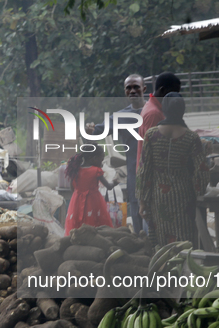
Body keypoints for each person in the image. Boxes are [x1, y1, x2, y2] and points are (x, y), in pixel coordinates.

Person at [136, 93, 210, 247]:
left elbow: (144, 170)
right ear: (182, 111)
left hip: (158, 197)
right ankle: (184, 269)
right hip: (184, 197)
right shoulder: (191, 137)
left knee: (162, 242)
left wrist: (142, 201)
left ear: (165, 109)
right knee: (185, 241)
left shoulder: (151, 135)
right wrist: (199, 195)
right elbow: (201, 171)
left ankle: (164, 270)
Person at [87, 74, 147, 233]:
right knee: (136, 212)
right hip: (134, 173)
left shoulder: (153, 111)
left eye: (136, 87)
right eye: (129, 88)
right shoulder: (120, 117)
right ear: (125, 92)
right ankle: (145, 252)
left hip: (156, 173)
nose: (132, 91)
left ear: (144, 89)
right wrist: (89, 129)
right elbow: (96, 131)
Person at [64, 145, 120, 236]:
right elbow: (109, 187)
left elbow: (72, 187)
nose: (102, 163)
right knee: (95, 223)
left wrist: (79, 194)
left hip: (76, 201)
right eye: (101, 159)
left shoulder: (76, 169)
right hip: (94, 201)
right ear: (93, 158)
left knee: (77, 224)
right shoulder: (96, 170)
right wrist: (115, 182)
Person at [136, 72, 182, 170]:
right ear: (162, 91)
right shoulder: (154, 114)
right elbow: (157, 152)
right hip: (153, 177)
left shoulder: (155, 108)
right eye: (172, 94)